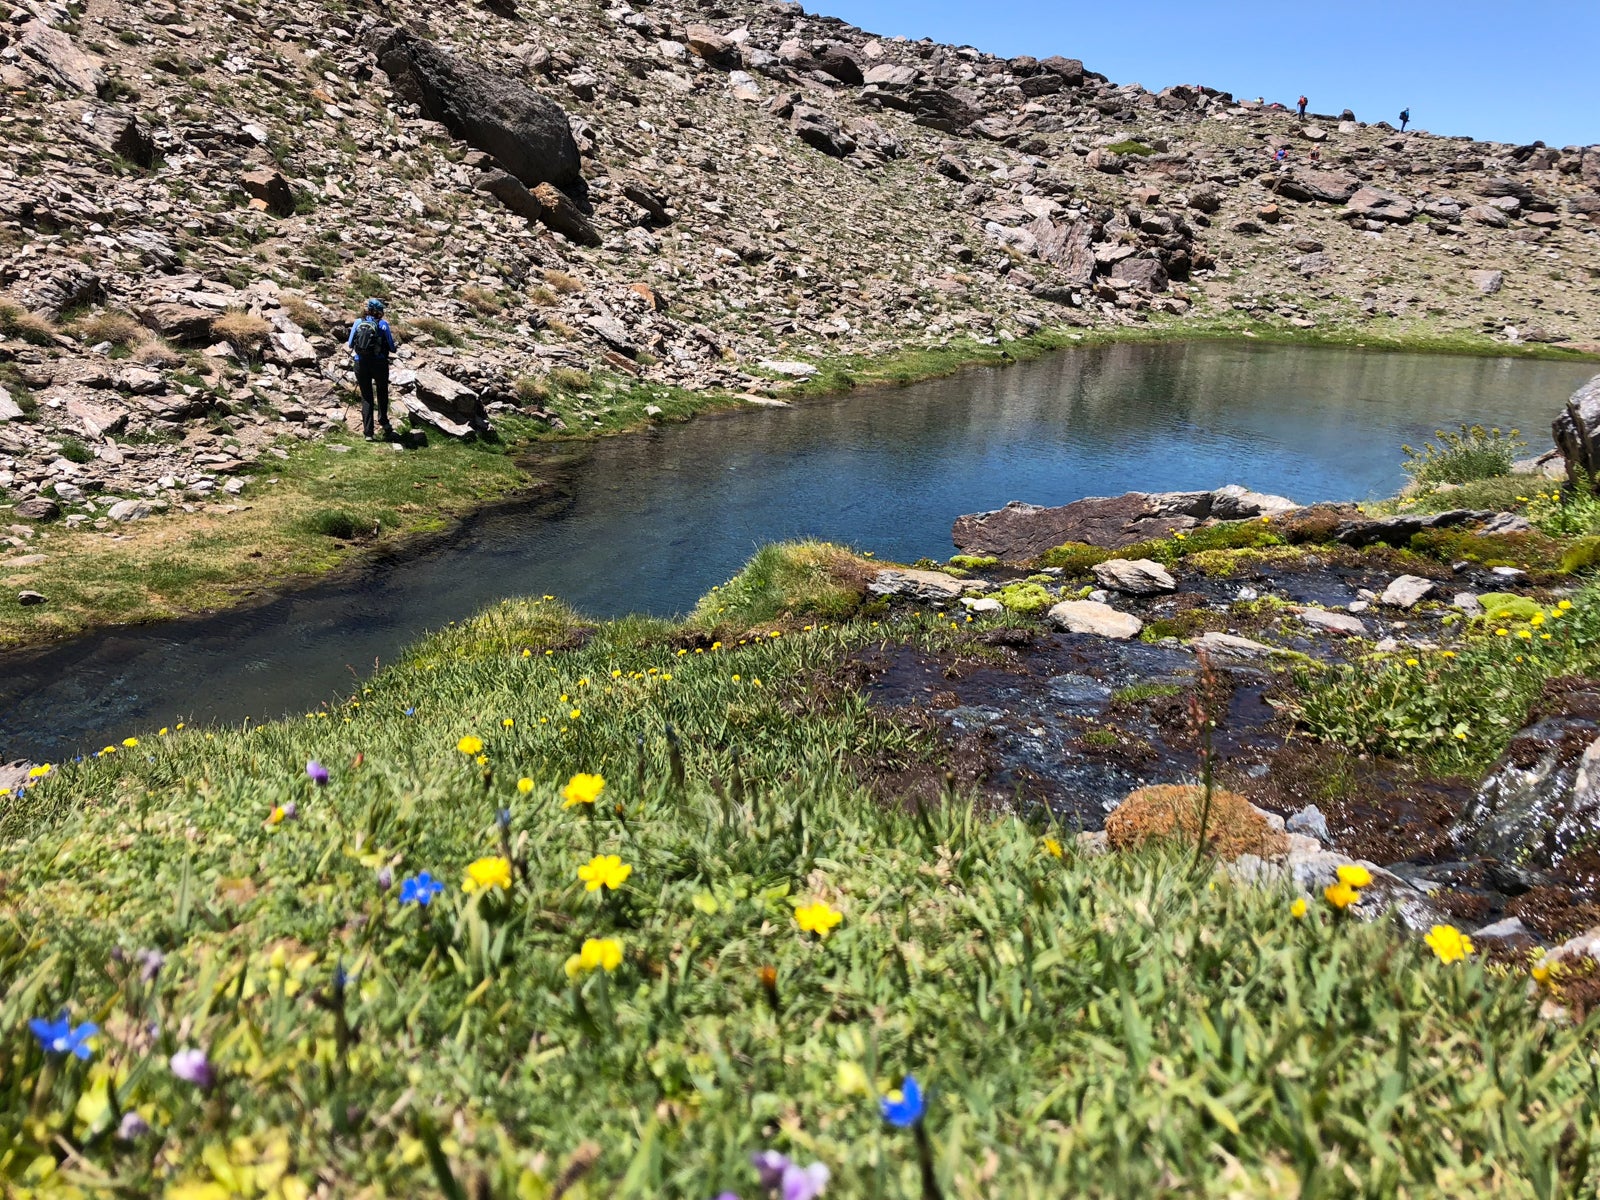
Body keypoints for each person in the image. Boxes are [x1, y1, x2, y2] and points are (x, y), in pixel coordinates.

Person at [347, 298, 397, 441]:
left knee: (367, 396)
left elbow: (350, 344)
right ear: (380, 311)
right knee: (382, 391)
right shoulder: (383, 325)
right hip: (379, 364)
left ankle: (368, 432)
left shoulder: (358, 322)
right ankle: (384, 422)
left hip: (361, 363)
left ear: (367, 309)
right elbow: (392, 347)